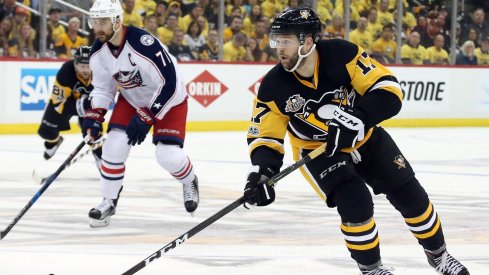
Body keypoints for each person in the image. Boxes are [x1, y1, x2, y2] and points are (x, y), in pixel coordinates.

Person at [243, 8, 470, 275]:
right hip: (318, 151)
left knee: (411, 196)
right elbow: (266, 135)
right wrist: (263, 172)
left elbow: (388, 89)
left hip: (366, 136)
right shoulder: (272, 86)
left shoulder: (342, 54)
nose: (279, 48)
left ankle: (439, 256)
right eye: (277, 41)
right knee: (356, 203)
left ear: (307, 41)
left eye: (286, 41)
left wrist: (359, 119)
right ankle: (372, 269)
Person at [83, 0, 199, 228]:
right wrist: (95, 114)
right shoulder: (98, 51)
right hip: (132, 98)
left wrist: (149, 115)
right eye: (96, 21)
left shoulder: (142, 44)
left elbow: (170, 82)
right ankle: (108, 200)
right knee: (113, 146)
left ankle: (189, 180)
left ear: (117, 21)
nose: (98, 26)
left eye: (104, 21)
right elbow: (103, 88)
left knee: (167, 156)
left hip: (169, 99)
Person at [37, 46, 102, 166]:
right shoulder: (66, 71)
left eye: (88, 66)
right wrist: (82, 104)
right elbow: (58, 103)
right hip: (67, 103)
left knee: (93, 132)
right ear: (75, 64)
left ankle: (100, 158)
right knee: (45, 132)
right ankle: (54, 142)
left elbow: (115, 91)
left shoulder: (101, 71)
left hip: (90, 106)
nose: (86, 70)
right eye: (82, 66)